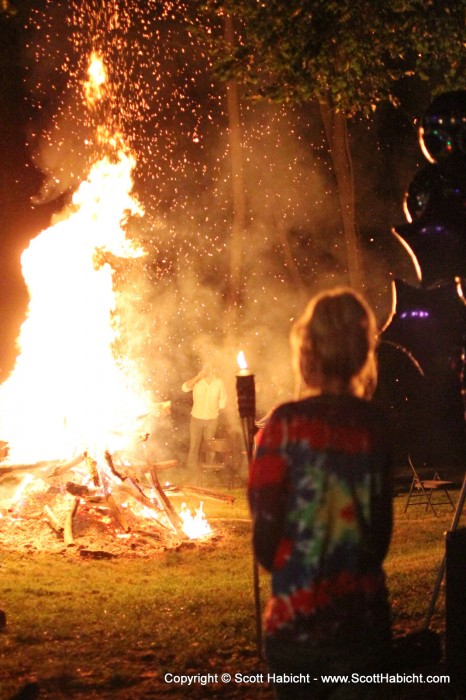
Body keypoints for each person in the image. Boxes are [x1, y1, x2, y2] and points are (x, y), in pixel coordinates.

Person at [248, 287, 393, 700]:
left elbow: (265, 534)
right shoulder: (374, 425)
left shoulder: (283, 425)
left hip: (297, 627)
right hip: (362, 626)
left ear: (306, 353)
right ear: (362, 354)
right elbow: (379, 534)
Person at [182, 362, 227, 476]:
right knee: (194, 445)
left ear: (213, 369)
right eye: (205, 368)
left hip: (212, 419)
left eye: (209, 368)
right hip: (196, 418)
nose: (207, 370)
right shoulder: (197, 381)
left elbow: (223, 398)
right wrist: (198, 376)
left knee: (210, 446)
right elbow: (184, 388)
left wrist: (219, 409)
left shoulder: (218, 382)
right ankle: (192, 470)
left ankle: (209, 471)